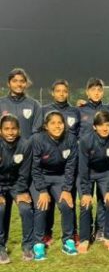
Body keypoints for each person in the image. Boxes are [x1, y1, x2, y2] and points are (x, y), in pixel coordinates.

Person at [30, 111, 79, 259]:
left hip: (61, 177)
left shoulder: (71, 138)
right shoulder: (37, 139)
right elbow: (35, 168)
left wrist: (67, 189)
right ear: (46, 126)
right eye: (53, 123)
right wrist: (42, 190)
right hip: (40, 177)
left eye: (60, 122)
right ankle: (38, 243)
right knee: (42, 205)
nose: (57, 126)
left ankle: (68, 240)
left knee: (66, 204)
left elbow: (71, 166)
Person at [77, 77, 109, 242]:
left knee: (103, 199)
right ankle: (86, 232)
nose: (96, 92)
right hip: (85, 163)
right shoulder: (80, 110)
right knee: (86, 200)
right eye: (93, 89)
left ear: (103, 92)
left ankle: (101, 229)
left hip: (104, 164)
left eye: (99, 90)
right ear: (87, 92)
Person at [43, 79, 81, 247]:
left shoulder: (75, 111)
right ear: (53, 92)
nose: (61, 94)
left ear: (68, 92)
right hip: (49, 161)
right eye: (58, 91)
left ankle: (72, 232)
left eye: (64, 91)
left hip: (69, 162)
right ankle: (47, 232)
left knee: (69, 199)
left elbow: (80, 132)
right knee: (49, 202)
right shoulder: (44, 110)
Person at [77, 110, 109, 253]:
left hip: (105, 173)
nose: (105, 128)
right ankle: (84, 239)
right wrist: (85, 192)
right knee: (86, 204)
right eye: (101, 125)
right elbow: (83, 167)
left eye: (108, 125)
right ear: (94, 126)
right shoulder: (86, 140)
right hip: (87, 173)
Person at [0, 114, 34, 263]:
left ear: (19, 130)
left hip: (16, 184)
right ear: (0, 130)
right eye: (6, 129)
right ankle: (1, 247)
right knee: (0, 208)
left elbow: (25, 172)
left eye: (13, 129)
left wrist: (21, 191)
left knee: (26, 208)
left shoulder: (25, 145)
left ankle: (27, 246)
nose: (10, 132)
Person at [0, 68, 42, 140]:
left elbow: (38, 131)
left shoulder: (35, 105)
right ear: (8, 84)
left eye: (22, 81)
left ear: (26, 83)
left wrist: (28, 144)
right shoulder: (1, 103)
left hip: (27, 147)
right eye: (14, 81)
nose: (19, 84)